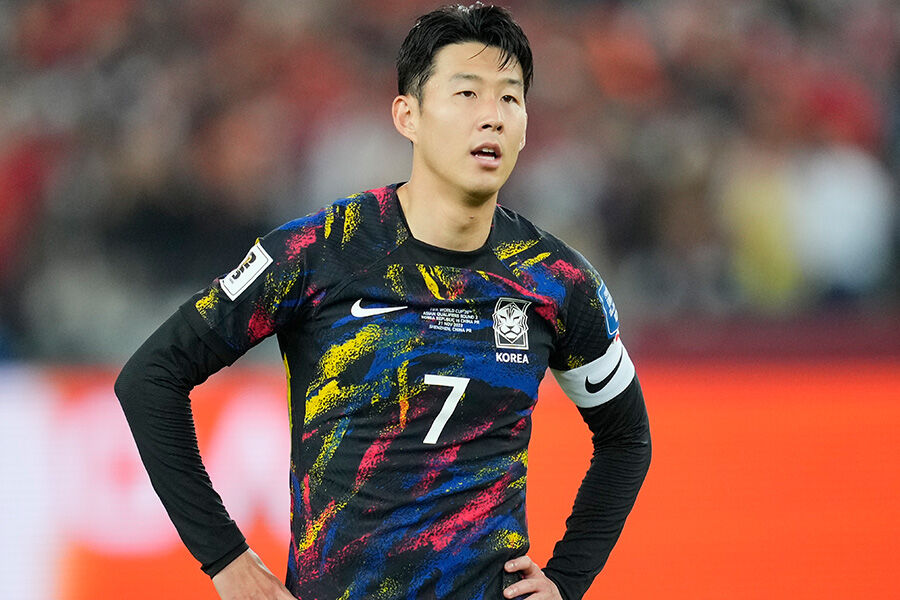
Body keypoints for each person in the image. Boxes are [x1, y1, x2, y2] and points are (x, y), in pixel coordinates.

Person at [115, 4, 651, 599]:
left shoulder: (555, 280)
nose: (492, 117)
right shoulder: (321, 251)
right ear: (407, 115)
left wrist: (567, 582)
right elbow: (150, 379)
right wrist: (228, 562)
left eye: (510, 97)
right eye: (467, 93)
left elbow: (627, 439)